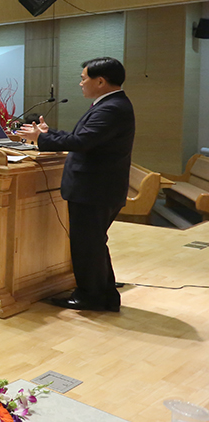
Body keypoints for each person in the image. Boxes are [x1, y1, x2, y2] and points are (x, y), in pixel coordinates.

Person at [17, 57, 135, 312]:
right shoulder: (110, 104)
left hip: (94, 190)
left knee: (87, 245)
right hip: (98, 189)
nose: (80, 83)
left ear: (100, 81)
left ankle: (90, 297)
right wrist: (48, 134)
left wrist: (41, 139)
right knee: (93, 243)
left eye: (84, 78)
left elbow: (82, 143)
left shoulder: (111, 108)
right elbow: (82, 138)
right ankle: (104, 294)